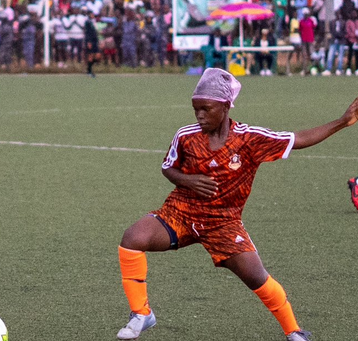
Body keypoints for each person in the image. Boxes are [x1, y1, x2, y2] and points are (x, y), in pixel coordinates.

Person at [116, 68, 358, 341]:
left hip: (224, 222)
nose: (199, 115)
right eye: (196, 108)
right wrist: (188, 180)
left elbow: (297, 139)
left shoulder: (249, 139)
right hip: (180, 213)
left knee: (257, 277)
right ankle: (141, 314)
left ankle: (294, 331)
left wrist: (341, 122)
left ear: (225, 106)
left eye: (206, 109)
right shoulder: (185, 136)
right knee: (133, 237)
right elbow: (168, 168)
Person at [322, 10, 347, 76]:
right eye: (337, 14)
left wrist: (339, 35)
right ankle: (328, 69)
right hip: (333, 41)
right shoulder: (332, 22)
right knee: (330, 55)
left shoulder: (343, 22)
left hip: (341, 41)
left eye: (339, 14)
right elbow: (331, 31)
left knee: (340, 56)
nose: (338, 15)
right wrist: (335, 35)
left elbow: (344, 32)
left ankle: (339, 69)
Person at [83, 11, 100, 77]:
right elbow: (87, 33)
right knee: (90, 56)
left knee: (98, 56)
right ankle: (89, 71)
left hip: (95, 41)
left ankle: (88, 69)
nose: (93, 15)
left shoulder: (94, 22)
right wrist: (88, 42)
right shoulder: (87, 22)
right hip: (90, 41)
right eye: (92, 14)